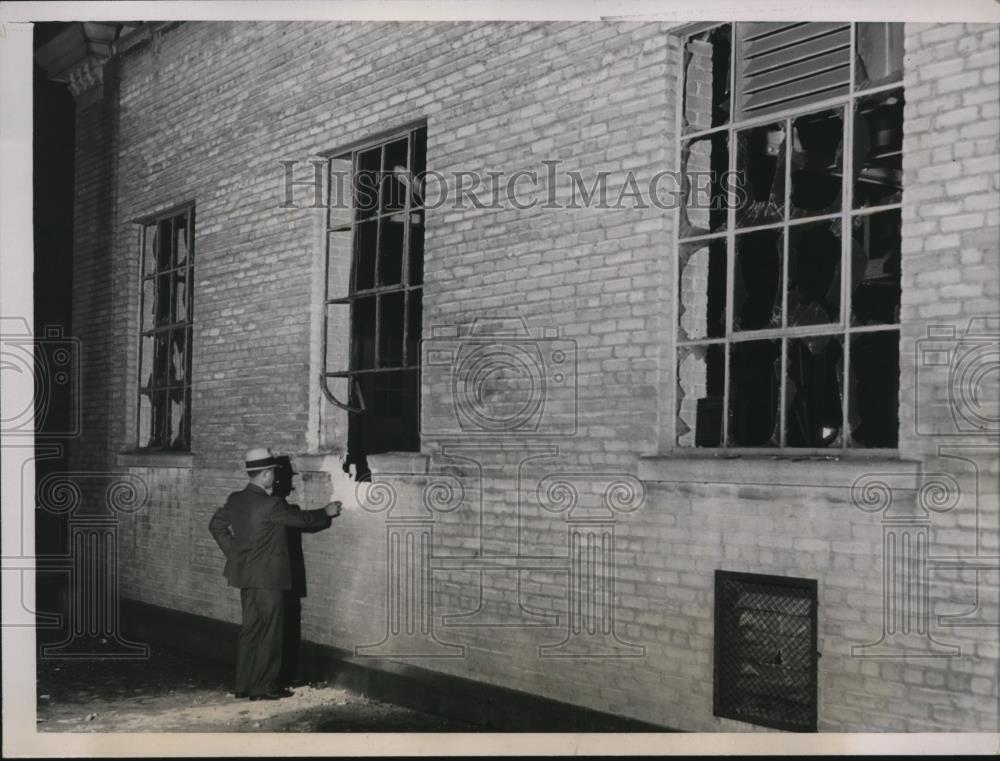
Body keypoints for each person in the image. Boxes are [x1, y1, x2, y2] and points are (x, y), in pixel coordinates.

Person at [209, 447, 342, 701]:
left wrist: (235, 555)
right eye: (273, 473)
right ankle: (264, 687)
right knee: (271, 633)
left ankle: (244, 685)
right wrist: (325, 512)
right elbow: (302, 519)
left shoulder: (236, 499)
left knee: (250, 631)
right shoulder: (272, 504)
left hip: (247, 579)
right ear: (265, 475)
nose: (279, 479)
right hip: (268, 581)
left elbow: (215, 526)